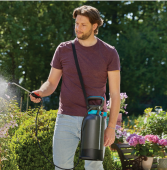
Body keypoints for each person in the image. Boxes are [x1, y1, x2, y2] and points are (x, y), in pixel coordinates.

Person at [30, 5, 120, 170]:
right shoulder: (63, 50)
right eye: (76, 23)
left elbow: (114, 94)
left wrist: (111, 127)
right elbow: (51, 83)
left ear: (95, 26)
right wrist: (40, 92)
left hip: (95, 119)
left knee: (94, 167)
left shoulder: (109, 53)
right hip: (66, 119)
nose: (78, 28)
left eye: (83, 25)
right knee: (61, 167)